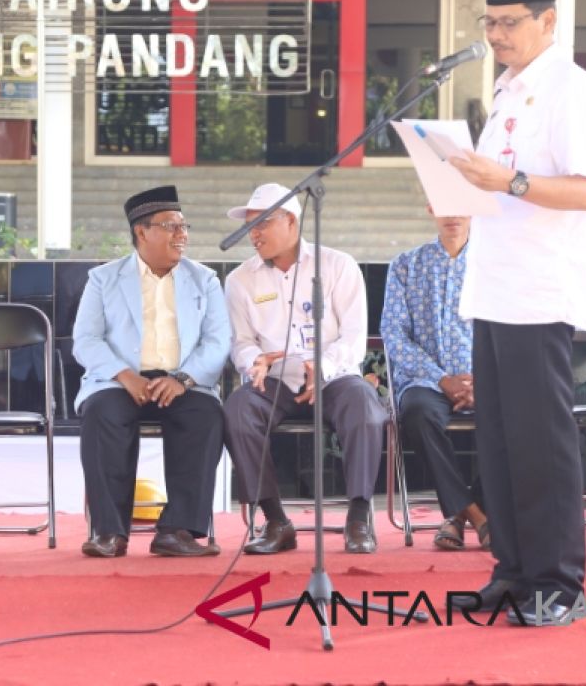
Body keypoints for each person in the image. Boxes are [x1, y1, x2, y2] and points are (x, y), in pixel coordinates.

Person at [448, 0, 586, 626]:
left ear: (549, 21)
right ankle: (513, 572)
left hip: (542, 292)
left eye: (510, 22)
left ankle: (557, 585)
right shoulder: (508, 91)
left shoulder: (573, 90)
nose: (497, 35)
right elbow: (494, 188)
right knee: (501, 443)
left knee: (541, 445)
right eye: (490, 23)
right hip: (493, 287)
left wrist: (507, 180)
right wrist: (456, 206)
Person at [223, 183, 389, 555]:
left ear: (293, 222)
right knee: (237, 410)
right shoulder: (239, 280)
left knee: (364, 404)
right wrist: (255, 362)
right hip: (276, 381)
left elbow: (353, 338)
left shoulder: (337, 265)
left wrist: (323, 365)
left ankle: (359, 517)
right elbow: (241, 341)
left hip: (333, 379)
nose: (255, 234)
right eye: (251, 226)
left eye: (263, 224)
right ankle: (276, 520)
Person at [73, 185, 230, 558]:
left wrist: (183, 379)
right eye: (171, 227)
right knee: (102, 414)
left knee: (206, 415)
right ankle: (110, 532)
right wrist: (124, 375)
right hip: (120, 380)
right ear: (142, 232)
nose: (183, 235)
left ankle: (178, 530)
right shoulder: (103, 279)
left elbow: (217, 341)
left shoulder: (204, 279)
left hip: (183, 379)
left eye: (184, 226)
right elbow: (86, 339)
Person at [382, 208, 487, 551]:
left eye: (460, 204)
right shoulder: (406, 265)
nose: (452, 214)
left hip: (484, 379)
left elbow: (509, 329)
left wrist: (483, 382)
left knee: (517, 414)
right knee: (417, 414)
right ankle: (480, 518)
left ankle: (457, 517)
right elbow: (393, 335)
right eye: (442, 204)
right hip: (426, 382)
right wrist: (442, 380)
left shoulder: (494, 264)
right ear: (428, 208)